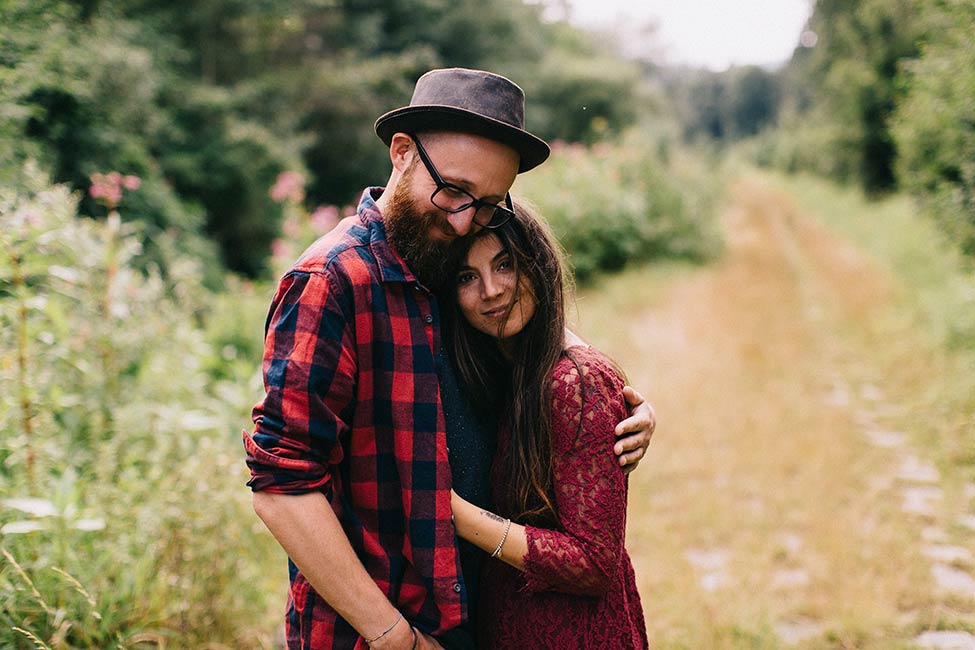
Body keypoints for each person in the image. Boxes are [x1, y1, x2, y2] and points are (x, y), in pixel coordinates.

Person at [243, 68, 656, 650]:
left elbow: (525, 320)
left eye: (487, 203)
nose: (465, 220)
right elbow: (281, 486)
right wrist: (392, 635)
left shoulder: (440, 245)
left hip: (476, 615)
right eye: (455, 192)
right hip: (376, 631)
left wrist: (613, 393)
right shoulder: (332, 282)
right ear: (403, 153)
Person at [445, 201, 648, 648]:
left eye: (506, 264)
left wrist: (450, 511)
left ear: (537, 265)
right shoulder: (503, 368)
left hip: (575, 633)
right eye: (466, 277)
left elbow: (594, 563)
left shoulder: (573, 382)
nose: (492, 290)